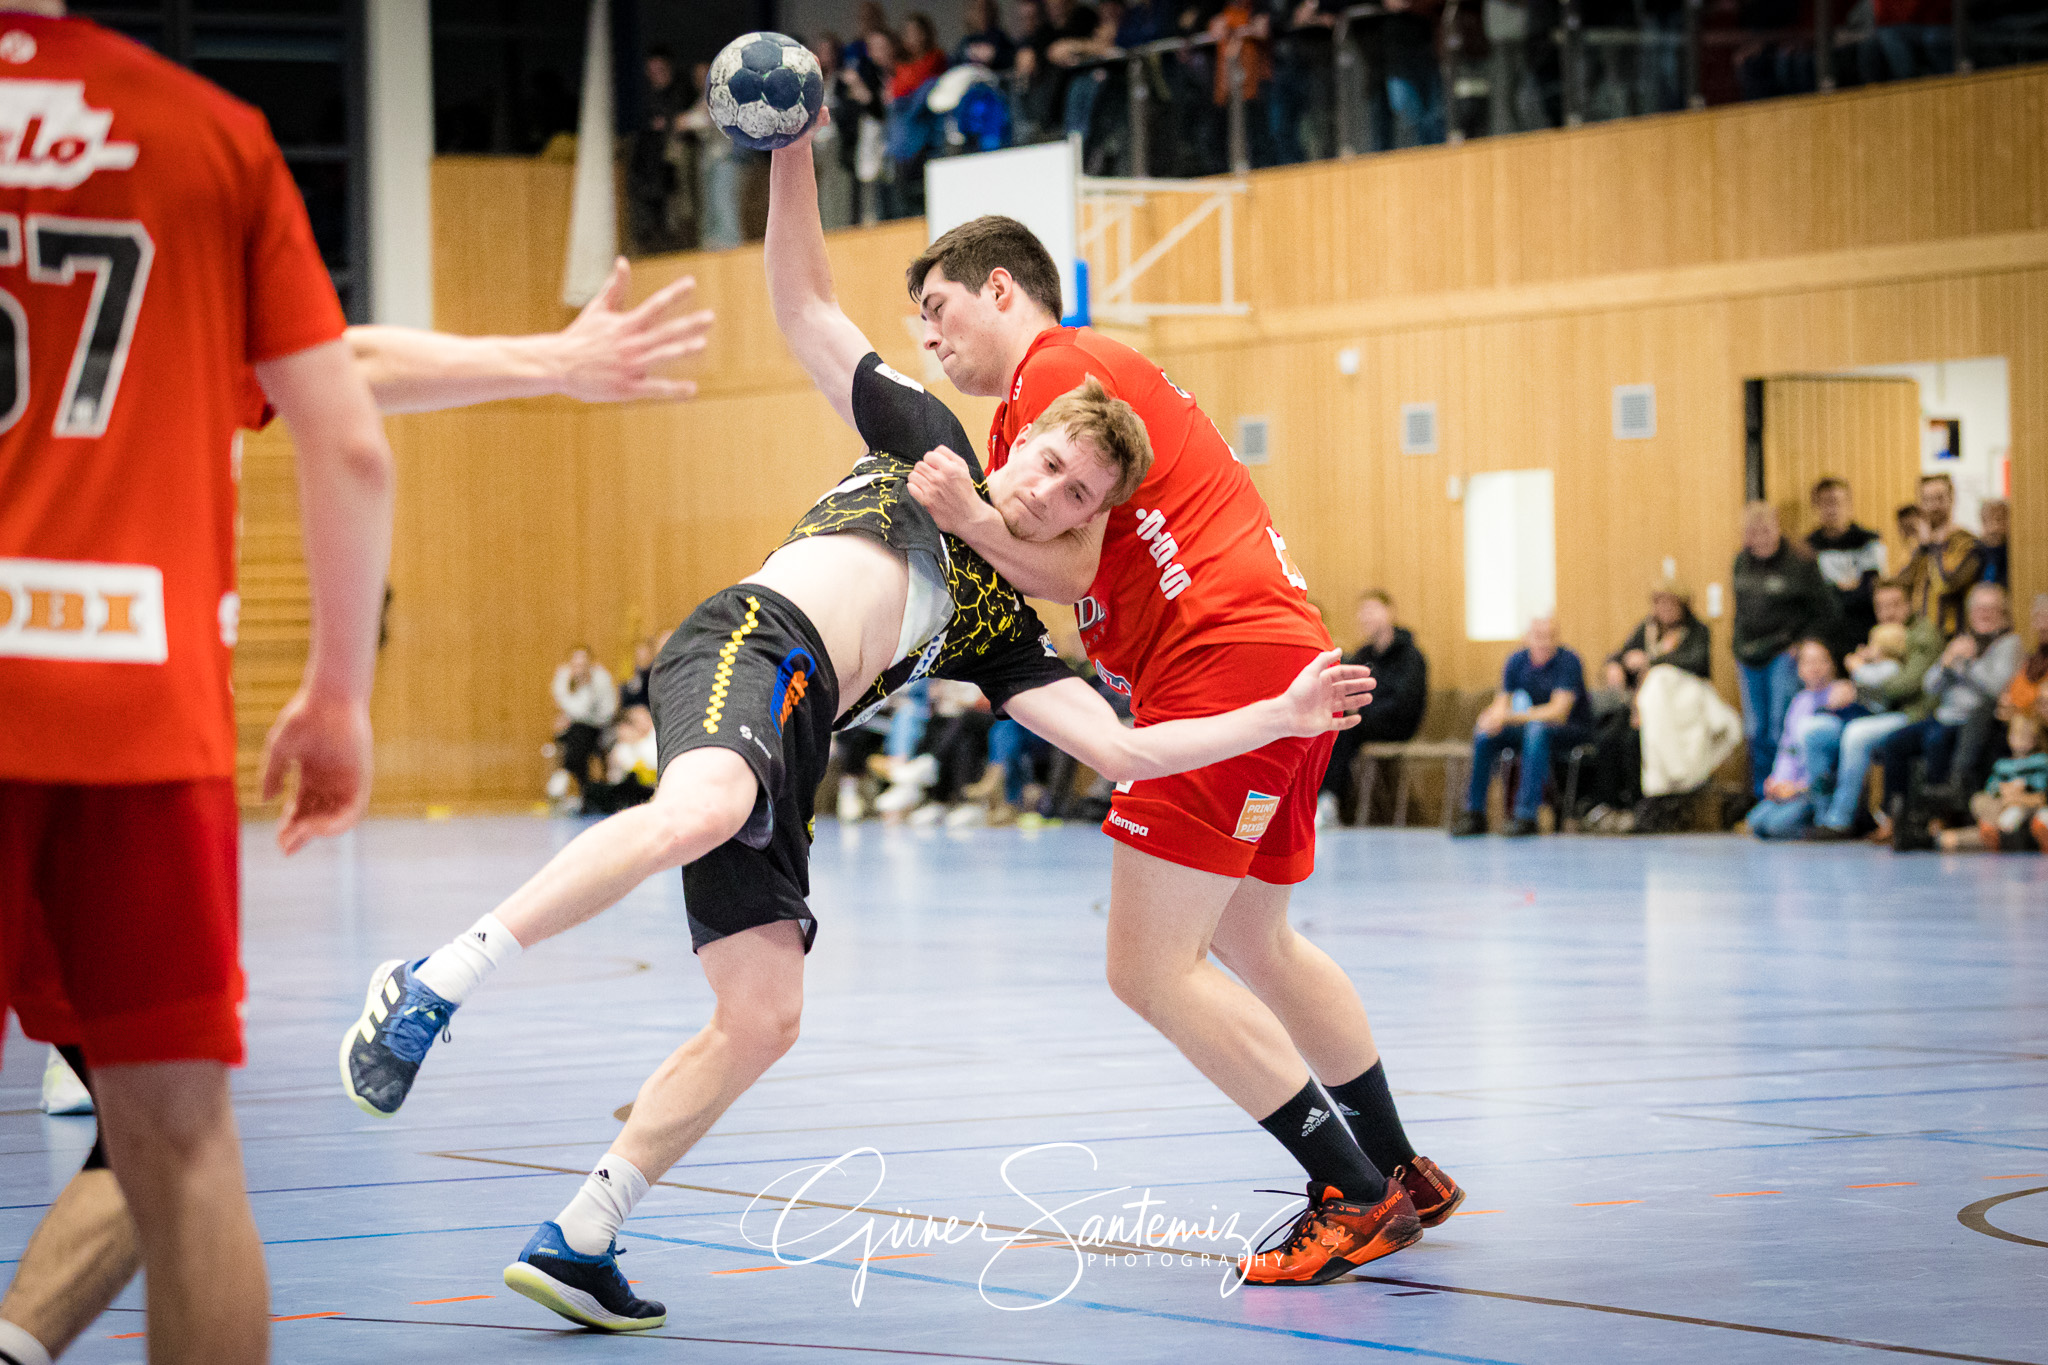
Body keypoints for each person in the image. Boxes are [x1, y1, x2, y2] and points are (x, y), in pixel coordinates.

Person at [335, 136, 1377, 1332]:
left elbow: (1125, 753)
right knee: (702, 809)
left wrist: (1280, 715)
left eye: (1075, 496)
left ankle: (580, 1237)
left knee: (763, 1016)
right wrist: (792, 150)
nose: (1044, 491)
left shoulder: (1003, 631)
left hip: (799, 736)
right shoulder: (926, 434)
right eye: (1041, 461)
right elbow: (802, 304)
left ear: (1083, 533)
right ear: (1012, 441)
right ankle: (430, 980)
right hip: (748, 640)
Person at [0, 255, 713, 1365]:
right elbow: (343, 396)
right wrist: (554, 361)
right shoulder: (186, 154)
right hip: (111, 721)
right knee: (171, 1147)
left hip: (95, 727)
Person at [903, 213, 1465, 1288]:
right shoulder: (1060, 390)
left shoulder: (1059, 376)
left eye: (939, 306)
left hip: (1223, 671)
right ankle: (1398, 1166)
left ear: (1005, 288)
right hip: (1272, 659)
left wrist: (963, 522)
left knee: (1147, 969)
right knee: (1261, 941)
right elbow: (1071, 560)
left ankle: (1348, 1192)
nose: (930, 335)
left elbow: (1063, 570)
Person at [0, 8, 395, 1363]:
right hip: (139, 701)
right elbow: (349, 442)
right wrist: (338, 693)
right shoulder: (208, 135)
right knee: (179, 1146)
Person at [1875, 581, 2021, 842]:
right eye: (1978, 609)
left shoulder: (2009, 644)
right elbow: (1930, 686)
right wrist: (1945, 662)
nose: (1983, 615)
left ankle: (1939, 817)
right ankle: (1891, 817)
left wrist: (1967, 663)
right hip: (1944, 715)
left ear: (2003, 613)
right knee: (1895, 743)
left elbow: (1997, 686)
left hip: (1977, 721)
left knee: (1936, 741)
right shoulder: (1961, 641)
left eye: (1991, 609)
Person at [1797, 581, 1943, 841]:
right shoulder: (1880, 633)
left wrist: (1858, 684)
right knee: (1813, 730)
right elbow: (1868, 678)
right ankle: (1821, 816)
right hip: (1873, 711)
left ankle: (1840, 820)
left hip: (1910, 714)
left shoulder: (1923, 634)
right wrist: (1849, 685)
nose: (1888, 612)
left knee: (1856, 734)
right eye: (1881, 606)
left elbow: (1907, 685)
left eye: (1895, 605)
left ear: (1910, 604)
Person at [1588, 583, 1724, 824]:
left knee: (1636, 741)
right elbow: (1623, 652)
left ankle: (1641, 806)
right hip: (1639, 704)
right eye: (1660, 604)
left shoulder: (1696, 632)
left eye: (1671, 604)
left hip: (1676, 707)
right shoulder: (1647, 630)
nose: (1665, 609)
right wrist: (1616, 664)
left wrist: (1651, 660)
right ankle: (1610, 805)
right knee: (1608, 738)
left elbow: (1698, 663)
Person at [1732, 501, 1836, 800]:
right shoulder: (1741, 562)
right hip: (1749, 656)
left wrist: (1802, 644)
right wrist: (1737, 646)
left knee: (1780, 725)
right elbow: (1740, 611)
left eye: (1765, 529)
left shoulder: (1800, 561)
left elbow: (1825, 611)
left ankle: (1787, 791)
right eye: (1753, 531)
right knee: (1756, 730)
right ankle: (1763, 795)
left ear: (1777, 528)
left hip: (1783, 654)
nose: (1760, 537)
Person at [1453, 616, 1591, 837]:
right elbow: (1501, 704)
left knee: (1536, 731)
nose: (1544, 642)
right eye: (1538, 636)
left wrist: (1510, 717)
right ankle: (1474, 813)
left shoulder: (1569, 662)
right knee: (1485, 735)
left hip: (1569, 731)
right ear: (1527, 638)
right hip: (1530, 729)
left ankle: (1526, 815)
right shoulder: (1516, 662)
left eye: (1550, 636)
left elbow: (1558, 712)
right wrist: (1491, 718)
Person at [1317, 589, 1429, 828]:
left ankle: (1328, 801)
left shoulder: (1411, 656)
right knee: (1330, 726)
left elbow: (1405, 703)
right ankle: (1318, 799)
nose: (1364, 617)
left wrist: (1362, 712)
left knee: (1345, 729)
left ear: (1389, 613)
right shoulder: (1363, 655)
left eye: (1371, 610)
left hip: (1398, 725)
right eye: (1362, 612)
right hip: (1365, 721)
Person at [1745, 639, 1840, 840]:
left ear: (1831, 665)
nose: (1814, 668)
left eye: (1820, 661)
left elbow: (1831, 762)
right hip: (1792, 789)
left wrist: (1799, 788)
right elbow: (1787, 749)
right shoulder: (1799, 701)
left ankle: (1816, 822)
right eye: (1808, 662)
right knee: (1755, 822)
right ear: (1799, 669)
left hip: (1813, 790)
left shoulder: (1838, 697)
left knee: (1774, 827)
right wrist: (1778, 781)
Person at [1934, 706, 2047, 853]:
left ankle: (1996, 833)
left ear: (2035, 739)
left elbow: (2041, 789)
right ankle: (1991, 830)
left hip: (2026, 805)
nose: (2020, 741)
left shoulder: (2041, 761)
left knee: (2016, 815)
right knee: (1978, 800)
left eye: (2026, 737)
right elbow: (1991, 786)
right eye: (2016, 735)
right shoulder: (2002, 765)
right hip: (2002, 804)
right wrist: (2002, 790)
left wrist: (2022, 791)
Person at [1894, 472, 1984, 638]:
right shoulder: (1918, 544)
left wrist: (1933, 547)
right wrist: (1922, 548)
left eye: (1939, 498)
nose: (1934, 506)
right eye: (1927, 500)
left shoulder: (1968, 543)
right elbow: (1901, 585)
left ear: (1952, 499)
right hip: (1918, 633)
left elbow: (1947, 585)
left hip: (1952, 635)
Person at [1806, 476, 1887, 657]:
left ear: (1849, 504)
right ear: (1816, 506)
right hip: (1827, 636)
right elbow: (1816, 598)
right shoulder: (1808, 548)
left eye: (1837, 503)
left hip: (1866, 630)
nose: (1832, 509)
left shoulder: (1870, 541)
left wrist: (1834, 588)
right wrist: (1848, 586)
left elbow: (1871, 589)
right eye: (1825, 503)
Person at [546, 644, 618, 805]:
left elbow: (605, 712)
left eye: (583, 665)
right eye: (576, 665)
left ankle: (566, 777)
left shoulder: (600, 679)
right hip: (573, 730)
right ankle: (584, 790)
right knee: (576, 736)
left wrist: (586, 689)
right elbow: (563, 704)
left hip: (599, 728)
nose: (579, 669)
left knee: (579, 734)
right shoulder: (563, 677)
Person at [1978, 495, 2009, 587]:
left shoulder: (2013, 552)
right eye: (1989, 519)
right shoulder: (1975, 551)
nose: (1995, 527)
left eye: (1999, 519)